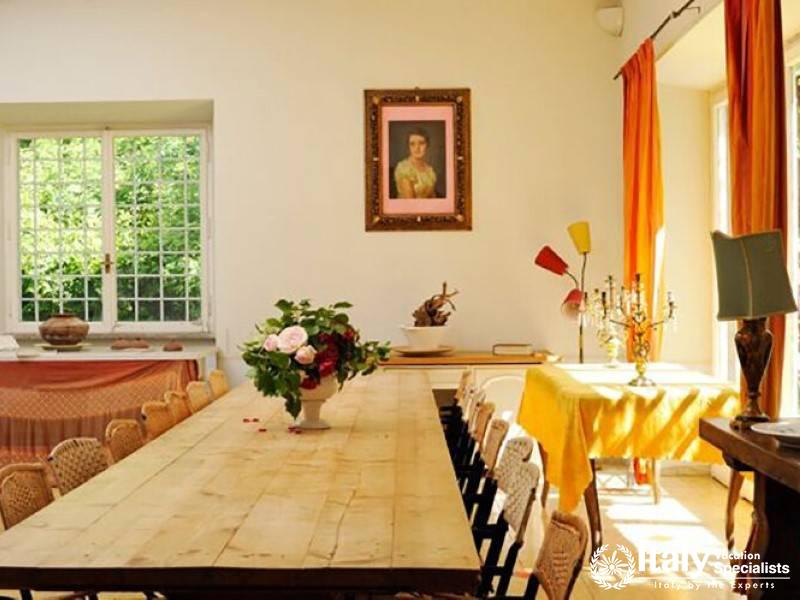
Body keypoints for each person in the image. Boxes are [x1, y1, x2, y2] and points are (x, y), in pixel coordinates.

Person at [394, 128, 438, 198]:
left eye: (421, 143)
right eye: (412, 144)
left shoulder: (429, 170)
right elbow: (411, 203)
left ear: (427, 145)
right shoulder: (404, 168)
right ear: (408, 147)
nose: (417, 148)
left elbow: (433, 197)